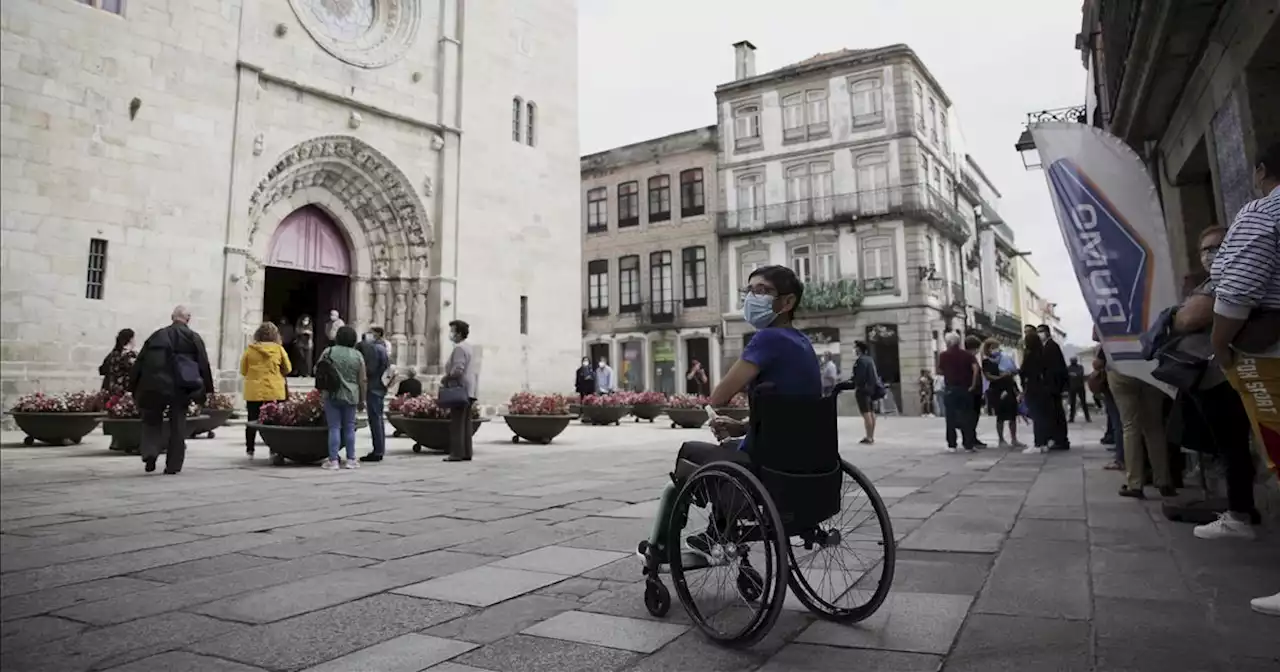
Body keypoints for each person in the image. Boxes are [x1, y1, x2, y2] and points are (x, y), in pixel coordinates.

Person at [676, 265, 821, 555]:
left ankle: (709, 531)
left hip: (769, 462)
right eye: (750, 290)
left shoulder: (768, 338)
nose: (753, 297)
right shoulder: (803, 343)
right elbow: (788, 411)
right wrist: (742, 426)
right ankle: (719, 528)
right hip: (805, 459)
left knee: (688, 453)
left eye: (763, 291)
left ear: (787, 302)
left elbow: (718, 395)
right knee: (732, 444)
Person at [1212, 142, 1280, 618]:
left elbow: (1237, 288)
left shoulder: (1262, 212)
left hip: (1270, 355)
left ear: (1260, 171)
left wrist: (1221, 346)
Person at [1164, 226, 1260, 539]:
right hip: (1216, 375)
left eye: (1216, 247)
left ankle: (1239, 515)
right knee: (1228, 446)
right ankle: (1240, 508)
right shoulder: (1214, 279)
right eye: (1204, 249)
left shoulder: (1231, 276)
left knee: (1232, 445)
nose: (1209, 255)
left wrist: (1181, 314)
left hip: (1228, 374)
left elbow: (1190, 318)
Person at [129, 306, 213, 474]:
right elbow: (203, 364)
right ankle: (173, 465)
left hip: (154, 385)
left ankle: (150, 452)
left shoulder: (157, 335)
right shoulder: (193, 338)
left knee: (152, 419)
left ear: (172, 317)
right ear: (188, 319)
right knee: (178, 424)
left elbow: (140, 361)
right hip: (181, 387)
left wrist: (133, 385)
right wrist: (207, 390)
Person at [240, 322, 292, 459]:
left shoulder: (250, 350)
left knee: (252, 420)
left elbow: (243, 370)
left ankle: (250, 450)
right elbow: (288, 368)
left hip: (254, 391)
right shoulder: (279, 350)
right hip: (274, 390)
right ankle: (274, 450)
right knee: (274, 421)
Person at [317, 325, 366, 470]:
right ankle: (351, 459)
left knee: (334, 427)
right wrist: (362, 399)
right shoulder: (357, 355)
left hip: (332, 393)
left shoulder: (329, 351)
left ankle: (333, 460)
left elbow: (317, 369)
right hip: (351, 395)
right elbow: (362, 379)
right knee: (349, 428)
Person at [938, 332, 980, 452]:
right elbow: (975, 369)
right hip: (965, 389)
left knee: (950, 417)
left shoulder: (944, 355)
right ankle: (968, 444)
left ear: (949, 343)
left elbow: (940, 370)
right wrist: (972, 384)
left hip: (951, 389)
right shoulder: (967, 355)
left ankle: (952, 445)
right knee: (967, 417)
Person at [443, 320, 478, 462]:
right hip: (469, 388)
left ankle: (457, 453)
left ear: (458, 333)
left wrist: (446, 378)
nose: (451, 334)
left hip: (459, 387)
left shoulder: (459, 348)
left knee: (457, 422)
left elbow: (458, 368)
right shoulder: (470, 347)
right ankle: (466, 452)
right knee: (466, 422)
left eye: (452, 331)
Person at [357, 327, 391, 463]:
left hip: (374, 386)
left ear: (377, 334)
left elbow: (370, 369)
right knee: (378, 419)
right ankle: (379, 449)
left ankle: (378, 451)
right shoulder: (384, 348)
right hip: (381, 386)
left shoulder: (375, 349)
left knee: (375, 419)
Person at [982, 339, 1023, 448]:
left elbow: (1015, 370)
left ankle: (1014, 439)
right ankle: (1001, 439)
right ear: (988, 348)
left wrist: (1012, 372)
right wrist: (1000, 377)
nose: (996, 349)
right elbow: (988, 376)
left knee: (1012, 414)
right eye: (993, 347)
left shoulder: (1006, 357)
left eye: (997, 346)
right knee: (1000, 415)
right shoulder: (987, 361)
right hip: (997, 389)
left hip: (1009, 387)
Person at [1037, 324, 1071, 449]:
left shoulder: (1051, 346)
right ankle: (1057, 438)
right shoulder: (1047, 346)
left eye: (1041, 332)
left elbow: (1055, 368)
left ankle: (1060, 439)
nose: (1039, 334)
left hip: (1053, 387)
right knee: (1054, 414)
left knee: (1056, 414)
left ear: (1046, 332)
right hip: (1052, 387)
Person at [1019, 325, 1049, 453]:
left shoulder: (1029, 355)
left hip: (1032, 387)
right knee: (1041, 415)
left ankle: (1038, 443)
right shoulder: (1042, 353)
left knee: (1036, 415)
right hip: (1042, 387)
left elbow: (1024, 372)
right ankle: (1043, 442)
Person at [851, 341, 880, 444]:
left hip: (863, 390)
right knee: (871, 413)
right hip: (871, 390)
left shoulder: (861, 361)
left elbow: (860, 377)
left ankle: (869, 437)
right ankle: (871, 435)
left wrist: (853, 382)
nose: (854, 350)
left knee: (866, 413)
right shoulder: (869, 360)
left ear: (859, 349)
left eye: (855, 348)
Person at [964, 335, 988, 447]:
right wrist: (974, 386)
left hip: (975, 391)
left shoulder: (969, 357)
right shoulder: (970, 357)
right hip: (974, 392)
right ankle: (971, 438)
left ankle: (972, 437)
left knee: (972, 416)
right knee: (972, 416)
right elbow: (975, 373)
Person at [99, 328, 136, 396]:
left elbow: (102, 370)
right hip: (122, 393)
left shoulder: (112, 354)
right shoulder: (131, 355)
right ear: (130, 340)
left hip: (109, 391)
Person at [390, 367, 423, 437]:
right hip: (415, 403)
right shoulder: (418, 383)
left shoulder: (403, 383)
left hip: (404, 402)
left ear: (407, 374)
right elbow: (419, 394)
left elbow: (399, 394)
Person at [1066, 356, 1090, 422]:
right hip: (1073, 387)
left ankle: (1087, 417)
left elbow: (1080, 374)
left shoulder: (1079, 367)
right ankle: (1071, 418)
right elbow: (1067, 376)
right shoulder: (1068, 368)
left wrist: (1072, 374)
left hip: (1079, 387)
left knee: (1083, 403)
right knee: (1072, 403)